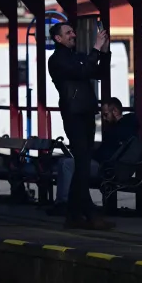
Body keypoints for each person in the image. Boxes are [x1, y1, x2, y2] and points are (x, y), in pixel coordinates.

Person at [47, 21, 113, 230]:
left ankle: (74, 214)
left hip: (85, 113)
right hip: (74, 115)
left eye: (72, 31)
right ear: (58, 38)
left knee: (83, 164)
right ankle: (88, 213)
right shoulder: (57, 59)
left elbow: (98, 72)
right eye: (68, 33)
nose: (73, 35)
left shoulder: (76, 57)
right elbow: (82, 72)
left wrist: (103, 52)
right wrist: (95, 49)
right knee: (83, 164)